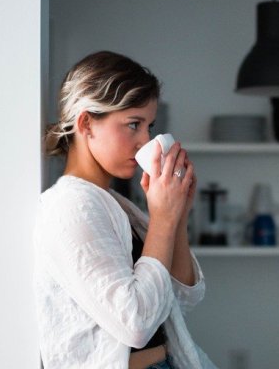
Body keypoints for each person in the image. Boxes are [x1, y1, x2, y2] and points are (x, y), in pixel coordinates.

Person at [33, 51, 218, 369]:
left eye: (149, 126)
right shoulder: (70, 206)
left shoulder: (115, 204)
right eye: (133, 124)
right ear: (86, 123)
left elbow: (181, 298)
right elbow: (135, 324)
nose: (145, 140)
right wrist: (163, 219)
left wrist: (177, 214)